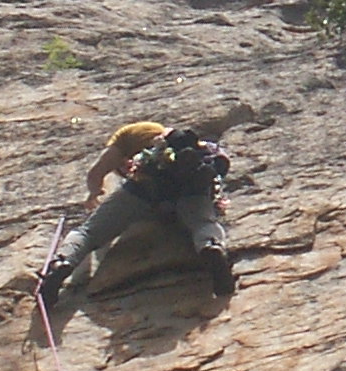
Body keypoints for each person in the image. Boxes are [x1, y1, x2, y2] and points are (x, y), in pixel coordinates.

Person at [39, 119, 236, 311]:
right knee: (203, 223)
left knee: (88, 233)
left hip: (147, 187)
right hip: (192, 185)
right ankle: (211, 246)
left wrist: (93, 193)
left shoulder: (126, 137)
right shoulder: (188, 145)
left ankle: (63, 261)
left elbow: (96, 172)